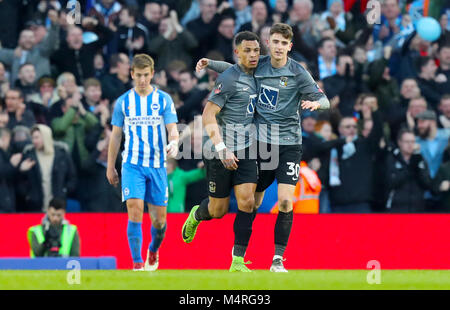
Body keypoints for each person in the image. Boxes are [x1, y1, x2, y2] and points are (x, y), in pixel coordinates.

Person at [195, 23, 330, 272]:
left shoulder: (299, 72)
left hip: (290, 145)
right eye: (275, 42)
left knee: (286, 202)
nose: (278, 47)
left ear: (290, 46)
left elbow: (324, 99)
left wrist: (316, 105)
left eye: (283, 43)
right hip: (262, 146)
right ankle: (239, 257)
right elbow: (236, 70)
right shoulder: (261, 64)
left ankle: (277, 259)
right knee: (250, 204)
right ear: (269, 43)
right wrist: (211, 64)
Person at [182, 31, 261, 273]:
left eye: (256, 50)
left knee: (248, 202)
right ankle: (197, 214)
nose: (253, 55)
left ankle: (237, 260)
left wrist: (212, 63)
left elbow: (236, 68)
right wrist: (222, 149)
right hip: (220, 149)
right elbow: (207, 115)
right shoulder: (227, 80)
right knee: (218, 211)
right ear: (238, 53)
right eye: (247, 50)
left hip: (247, 148)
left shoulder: (257, 72)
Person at [106, 54, 179, 271]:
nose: (142, 80)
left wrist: (174, 142)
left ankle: (153, 250)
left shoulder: (163, 99)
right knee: (135, 208)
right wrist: (111, 166)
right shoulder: (123, 102)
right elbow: (116, 136)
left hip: (157, 165)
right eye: (138, 75)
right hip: (132, 165)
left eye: (146, 75)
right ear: (132, 74)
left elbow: (172, 128)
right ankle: (137, 262)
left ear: (152, 74)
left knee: (159, 222)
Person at [18, 124, 77, 212]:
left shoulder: (62, 153)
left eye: (37, 137)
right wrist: (28, 194)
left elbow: (72, 177)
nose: (34, 141)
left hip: (57, 204)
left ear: (46, 137)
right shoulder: (29, 154)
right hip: (35, 205)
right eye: (33, 138)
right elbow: (20, 181)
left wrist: (64, 191)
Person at [384, 128, 431, 212]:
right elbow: (391, 182)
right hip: (396, 208)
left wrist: (417, 163)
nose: (410, 145)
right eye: (407, 142)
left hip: (417, 208)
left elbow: (427, 183)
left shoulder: (420, 159)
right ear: (399, 142)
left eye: (412, 142)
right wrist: (410, 168)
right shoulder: (391, 159)